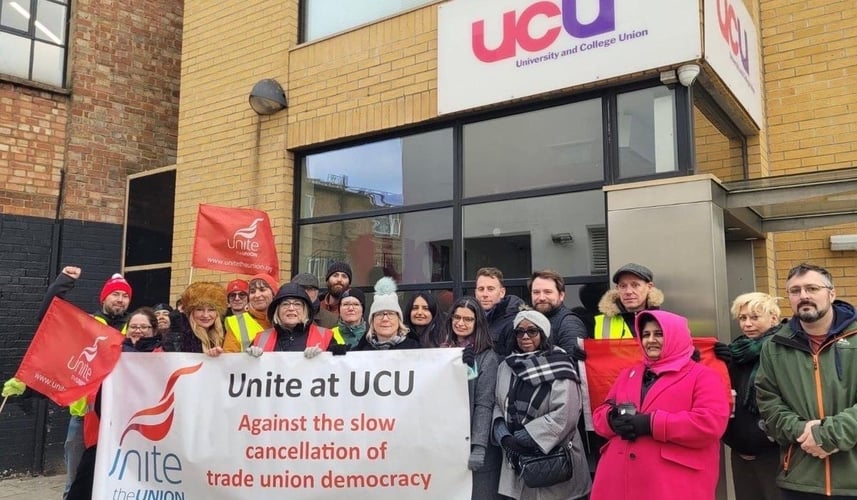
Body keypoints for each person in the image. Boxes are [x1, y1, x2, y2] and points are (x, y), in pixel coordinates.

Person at [1, 267, 132, 500]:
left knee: (115, 479)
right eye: (115, 294)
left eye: (125, 296)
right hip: (83, 418)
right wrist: (63, 282)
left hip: (121, 422)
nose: (120, 300)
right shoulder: (89, 323)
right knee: (75, 482)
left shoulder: (134, 329)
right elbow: (50, 319)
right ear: (104, 297)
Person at [590, 310, 730, 500]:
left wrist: (651, 423)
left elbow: (710, 423)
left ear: (676, 336)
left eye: (659, 334)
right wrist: (612, 419)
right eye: (646, 335)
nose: (650, 340)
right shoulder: (628, 374)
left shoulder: (703, 376)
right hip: (618, 484)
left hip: (672, 486)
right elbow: (601, 413)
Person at [756, 263, 857, 499]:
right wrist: (803, 430)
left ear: (831, 293)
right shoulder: (774, 346)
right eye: (795, 290)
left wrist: (828, 435)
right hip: (800, 480)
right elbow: (768, 403)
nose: (803, 296)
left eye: (812, 288)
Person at [492, 309, 591, 499]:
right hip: (517, 459)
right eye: (519, 332)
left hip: (554, 460)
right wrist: (503, 436)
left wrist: (524, 437)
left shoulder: (560, 363)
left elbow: (566, 413)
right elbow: (497, 403)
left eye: (532, 331)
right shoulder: (506, 366)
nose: (525, 336)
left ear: (544, 333)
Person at [66, 307, 163, 500]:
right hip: (102, 433)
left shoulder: (162, 356)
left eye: (144, 327)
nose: (138, 330)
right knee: (83, 486)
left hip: (140, 438)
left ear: (154, 330)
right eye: (134, 326)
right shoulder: (112, 352)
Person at [722, 292, 782, 500]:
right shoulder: (735, 352)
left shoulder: (785, 349)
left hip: (775, 453)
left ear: (773, 318)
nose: (747, 324)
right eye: (742, 318)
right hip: (740, 451)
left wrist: (764, 438)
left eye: (755, 317)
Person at [441, 297, 502, 499]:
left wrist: (479, 447)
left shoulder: (487, 357)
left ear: (478, 323)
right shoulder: (440, 351)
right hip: (447, 443)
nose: (461, 323)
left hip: (475, 447)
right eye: (457, 317)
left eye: (468, 319)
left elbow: (484, 404)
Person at [245, 282, 345, 356]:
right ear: (277, 310)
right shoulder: (261, 338)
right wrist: (250, 360)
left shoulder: (325, 336)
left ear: (305, 310)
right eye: (285, 304)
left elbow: (339, 370)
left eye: (297, 304)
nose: (291, 308)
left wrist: (331, 354)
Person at [528, 270, 588, 362]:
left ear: (561, 295)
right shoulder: (528, 321)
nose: (541, 298)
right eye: (536, 292)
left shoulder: (569, 323)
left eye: (547, 292)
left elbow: (573, 365)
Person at [594, 263, 664, 339]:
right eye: (623, 286)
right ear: (617, 289)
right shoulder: (600, 323)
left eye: (635, 285)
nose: (628, 292)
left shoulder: (665, 321)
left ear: (649, 287)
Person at [354, 277, 420, 351]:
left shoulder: (414, 348)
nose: (385, 319)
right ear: (372, 320)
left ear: (399, 319)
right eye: (379, 314)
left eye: (391, 313)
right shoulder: (361, 350)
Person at [475, 267, 525, 357]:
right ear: (475, 293)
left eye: (490, 289)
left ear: (502, 292)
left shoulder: (513, 322)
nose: (485, 294)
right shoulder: (471, 319)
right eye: (481, 289)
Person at [222, 273, 277, 353]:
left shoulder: (285, 321)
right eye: (252, 291)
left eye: (262, 290)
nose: (257, 295)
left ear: (274, 294)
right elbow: (229, 360)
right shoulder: (236, 323)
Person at [177, 281, 227, 354]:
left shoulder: (224, 336)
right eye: (199, 309)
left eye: (211, 310)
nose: (205, 315)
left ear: (217, 313)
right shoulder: (181, 337)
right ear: (191, 312)